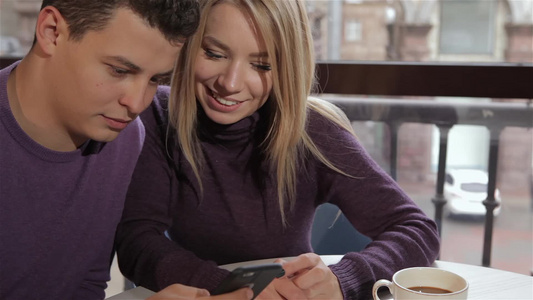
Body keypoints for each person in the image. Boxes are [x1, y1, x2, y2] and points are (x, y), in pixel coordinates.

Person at [115, 0, 441, 299]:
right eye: (214, 53)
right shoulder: (157, 115)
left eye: (262, 65)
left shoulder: (313, 130)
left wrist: (343, 280)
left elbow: (417, 231)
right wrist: (232, 289)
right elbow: (138, 240)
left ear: (288, 68)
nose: (230, 83)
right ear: (188, 47)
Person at [0, 0, 252, 299]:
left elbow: (85, 286)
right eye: (119, 70)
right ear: (52, 31)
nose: (136, 104)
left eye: (156, 80)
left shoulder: (126, 137)